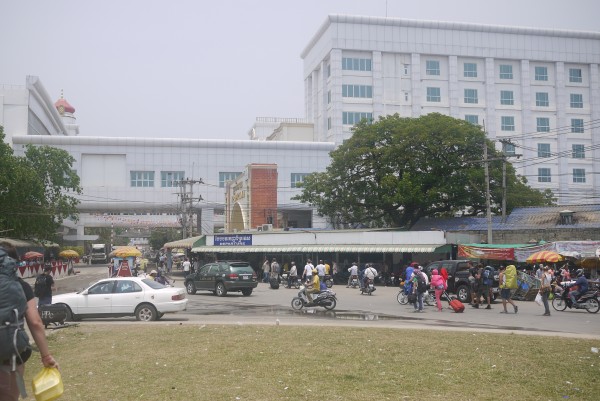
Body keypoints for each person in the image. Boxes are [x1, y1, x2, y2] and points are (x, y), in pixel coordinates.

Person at [0, 243, 59, 401]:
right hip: (10, 357)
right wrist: (46, 356)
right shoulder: (21, 286)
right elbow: (35, 322)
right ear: (14, 263)